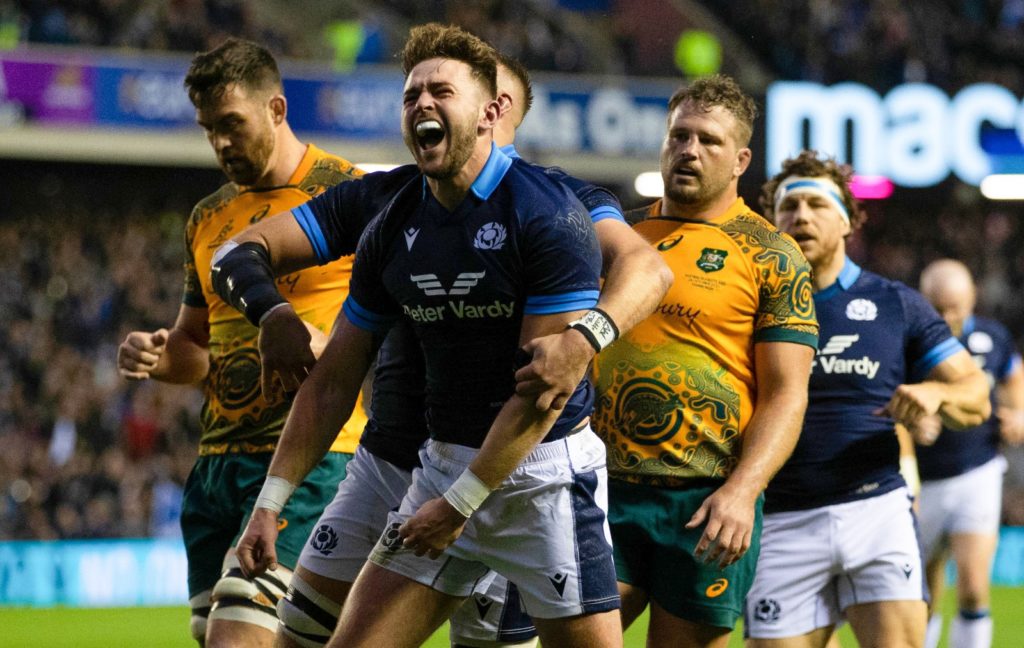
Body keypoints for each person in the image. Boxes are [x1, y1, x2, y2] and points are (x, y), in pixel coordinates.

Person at [217, 49, 669, 648]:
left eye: (446, 92)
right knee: (303, 633)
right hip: (411, 460)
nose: (425, 104)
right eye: (413, 95)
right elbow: (254, 274)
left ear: (495, 111)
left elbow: (646, 270)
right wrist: (273, 314)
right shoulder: (387, 207)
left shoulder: (556, 205)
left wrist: (587, 337)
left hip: (532, 467)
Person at [115, 38, 366, 648]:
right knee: (221, 634)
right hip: (218, 465)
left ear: (276, 109)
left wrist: (329, 344)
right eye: (209, 129)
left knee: (238, 634)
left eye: (232, 124)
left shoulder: (347, 194)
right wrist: (158, 355)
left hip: (311, 457)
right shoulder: (207, 217)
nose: (221, 143)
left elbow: (395, 326)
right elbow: (194, 347)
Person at [590, 74, 819, 648]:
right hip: (602, 490)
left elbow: (787, 394)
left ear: (741, 159)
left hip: (706, 500)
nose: (689, 150)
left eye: (709, 140)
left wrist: (743, 491)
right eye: (679, 136)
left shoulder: (772, 255)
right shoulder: (620, 237)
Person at [744, 151, 991, 648]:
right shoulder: (747, 305)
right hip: (781, 519)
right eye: (789, 206)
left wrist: (935, 392)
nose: (801, 216)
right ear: (773, 224)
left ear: (846, 221)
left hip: (875, 511)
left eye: (817, 204)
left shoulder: (895, 304)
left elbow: (976, 396)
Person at [916, 259, 1024, 648]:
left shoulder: (993, 337)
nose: (947, 318)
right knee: (921, 594)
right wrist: (911, 424)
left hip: (977, 472)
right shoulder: (908, 338)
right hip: (920, 482)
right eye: (938, 308)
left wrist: (1019, 414)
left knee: (974, 588)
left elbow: (1014, 377)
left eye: (955, 308)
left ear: (972, 299)